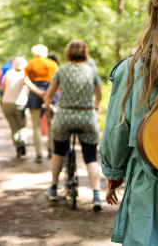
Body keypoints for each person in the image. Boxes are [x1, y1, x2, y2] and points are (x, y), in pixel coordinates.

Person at [100, 0, 158, 245]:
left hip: (152, 183)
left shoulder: (133, 69)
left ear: (153, 18)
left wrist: (114, 174)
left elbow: (118, 128)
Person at [44, 39, 103, 210]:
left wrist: (48, 105)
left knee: (58, 152)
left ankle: (54, 188)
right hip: (86, 117)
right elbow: (98, 97)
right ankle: (97, 195)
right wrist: (93, 107)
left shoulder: (61, 70)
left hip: (64, 116)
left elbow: (49, 95)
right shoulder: (92, 71)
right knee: (91, 157)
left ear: (67, 53)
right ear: (85, 53)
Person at [2, 57, 45, 157]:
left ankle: (18, 146)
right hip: (21, 103)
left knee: (14, 127)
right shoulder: (24, 75)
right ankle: (22, 142)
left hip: (7, 103)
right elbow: (29, 87)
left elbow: (2, 87)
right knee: (23, 126)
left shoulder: (8, 73)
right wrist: (40, 93)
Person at [24, 44, 59, 163]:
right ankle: (51, 149)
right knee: (51, 123)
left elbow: (26, 80)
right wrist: (48, 93)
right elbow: (57, 79)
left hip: (35, 95)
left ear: (34, 53)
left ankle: (39, 153)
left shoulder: (30, 63)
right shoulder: (52, 64)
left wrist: (38, 91)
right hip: (51, 94)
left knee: (36, 125)